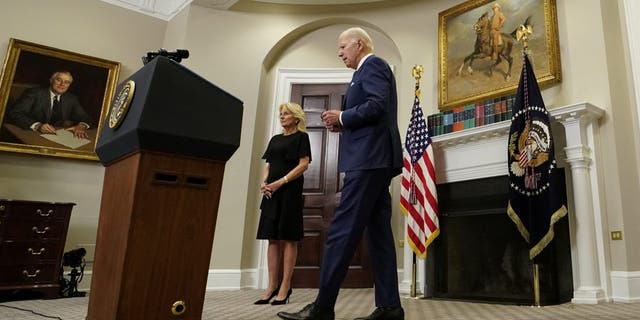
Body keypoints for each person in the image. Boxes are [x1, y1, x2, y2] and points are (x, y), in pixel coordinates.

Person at [277, 27, 404, 320]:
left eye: (343, 46)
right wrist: (344, 123)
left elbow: (377, 104)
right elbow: (373, 110)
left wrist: (343, 116)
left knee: (341, 231)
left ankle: (322, 308)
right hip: (374, 158)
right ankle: (390, 308)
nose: (339, 52)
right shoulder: (364, 71)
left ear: (359, 44)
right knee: (379, 235)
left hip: (369, 159)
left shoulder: (373, 65)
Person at [254, 102, 311, 306]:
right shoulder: (275, 139)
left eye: (286, 114)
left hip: (289, 192)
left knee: (288, 238)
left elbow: (303, 164)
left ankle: (285, 287)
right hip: (271, 194)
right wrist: (265, 183)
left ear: (296, 118)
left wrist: (281, 182)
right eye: (281, 114)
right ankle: (271, 286)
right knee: (272, 238)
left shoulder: (302, 137)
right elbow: (268, 164)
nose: (282, 117)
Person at [7, 70, 92, 139]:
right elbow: (15, 113)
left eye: (67, 82)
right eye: (59, 80)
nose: (62, 84)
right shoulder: (34, 93)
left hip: (58, 137)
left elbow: (85, 117)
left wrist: (81, 126)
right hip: (32, 135)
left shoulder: (71, 98)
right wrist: (38, 126)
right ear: (51, 80)